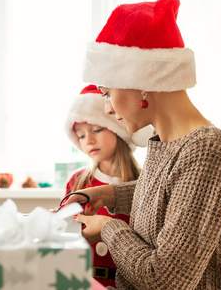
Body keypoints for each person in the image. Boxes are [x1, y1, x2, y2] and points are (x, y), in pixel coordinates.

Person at [63, 0, 221, 290]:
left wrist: (108, 227)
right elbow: (171, 195)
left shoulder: (209, 150)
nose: (108, 108)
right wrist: (108, 195)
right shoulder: (168, 144)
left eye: (107, 92)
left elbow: (165, 280)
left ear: (142, 82)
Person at [63, 84, 152, 288]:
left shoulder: (144, 181)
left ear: (118, 129)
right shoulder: (78, 182)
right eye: (81, 135)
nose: (89, 140)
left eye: (96, 129)